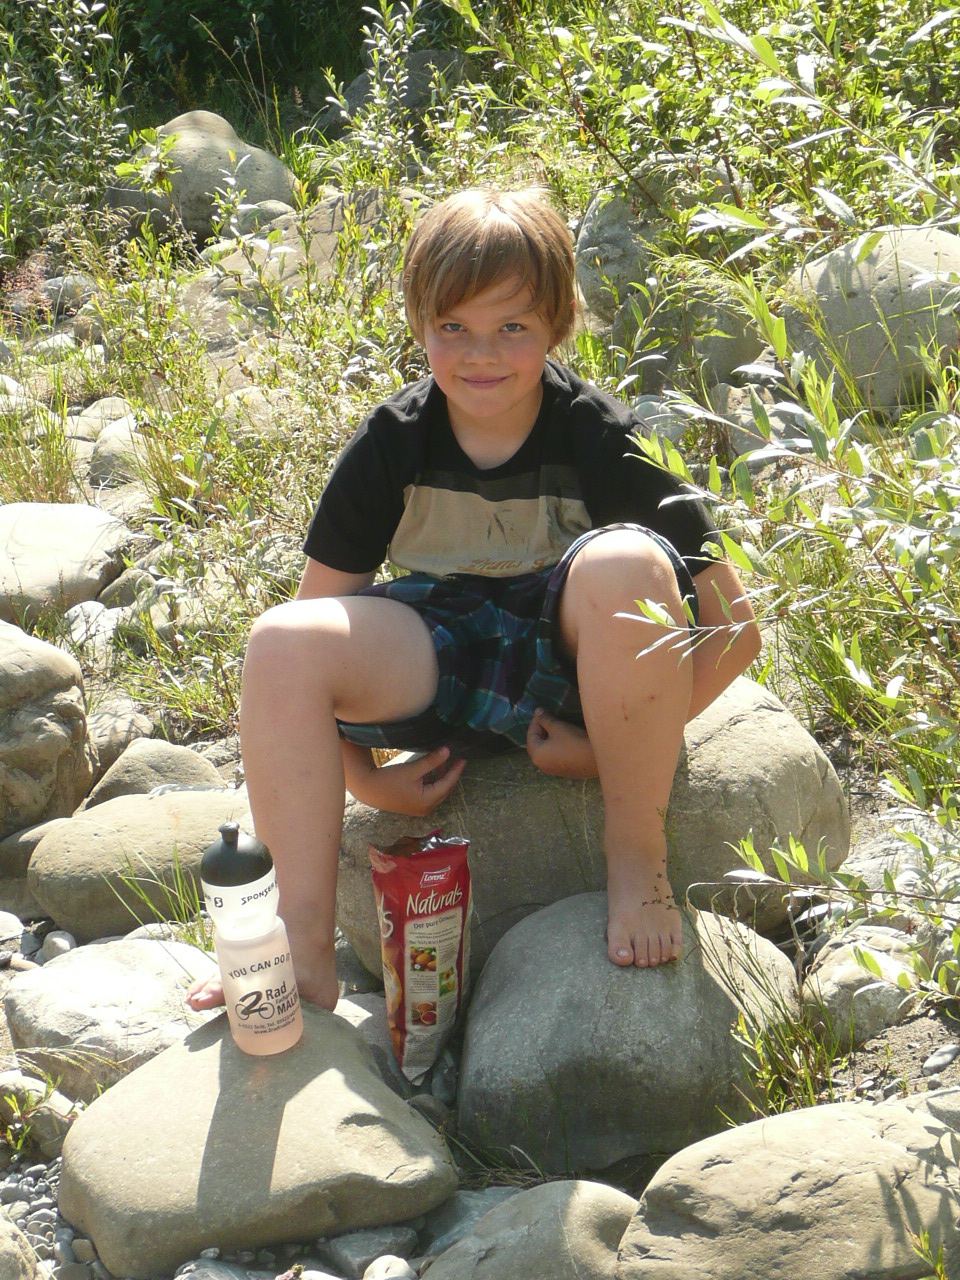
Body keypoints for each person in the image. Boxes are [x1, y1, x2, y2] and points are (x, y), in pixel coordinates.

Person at [188, 187, 761, 1015]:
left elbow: (735, 627)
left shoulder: (598, 434)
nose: (480, 355)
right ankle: (301, 945)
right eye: (453, 327)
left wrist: (612, 751)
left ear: (558, 324)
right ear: (419, 322)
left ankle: (638, 860)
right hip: (444, 661)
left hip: (576, 671)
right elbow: (312, 634)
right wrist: (365, 782)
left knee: (629, 562)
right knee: (278, 639)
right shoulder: (394, 440)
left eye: (512, 327)